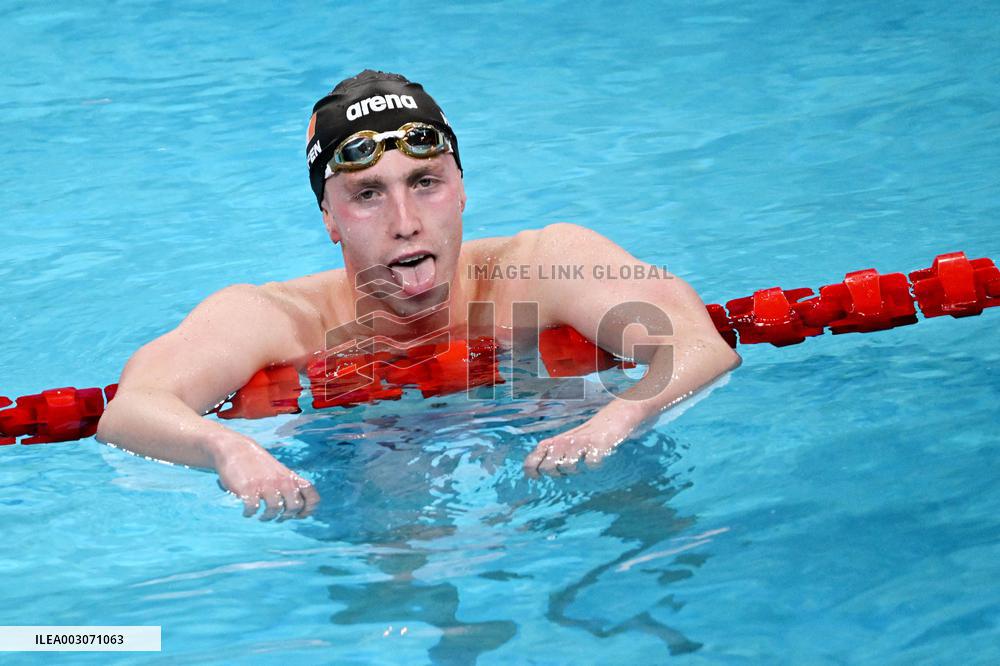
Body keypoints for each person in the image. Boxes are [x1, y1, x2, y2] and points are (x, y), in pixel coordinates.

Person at [95, 70, 741, 521]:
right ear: (329, 218)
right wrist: (228, 449)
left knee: (636, 501)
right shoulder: (276, 318)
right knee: (388, 498)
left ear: (462, 188)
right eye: (368, 194)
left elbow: (696, 345)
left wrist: (612, 424)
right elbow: (131, 412)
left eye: (425, 182)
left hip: (554, 474)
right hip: (353, 479)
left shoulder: (542, 263)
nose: (405, 220)